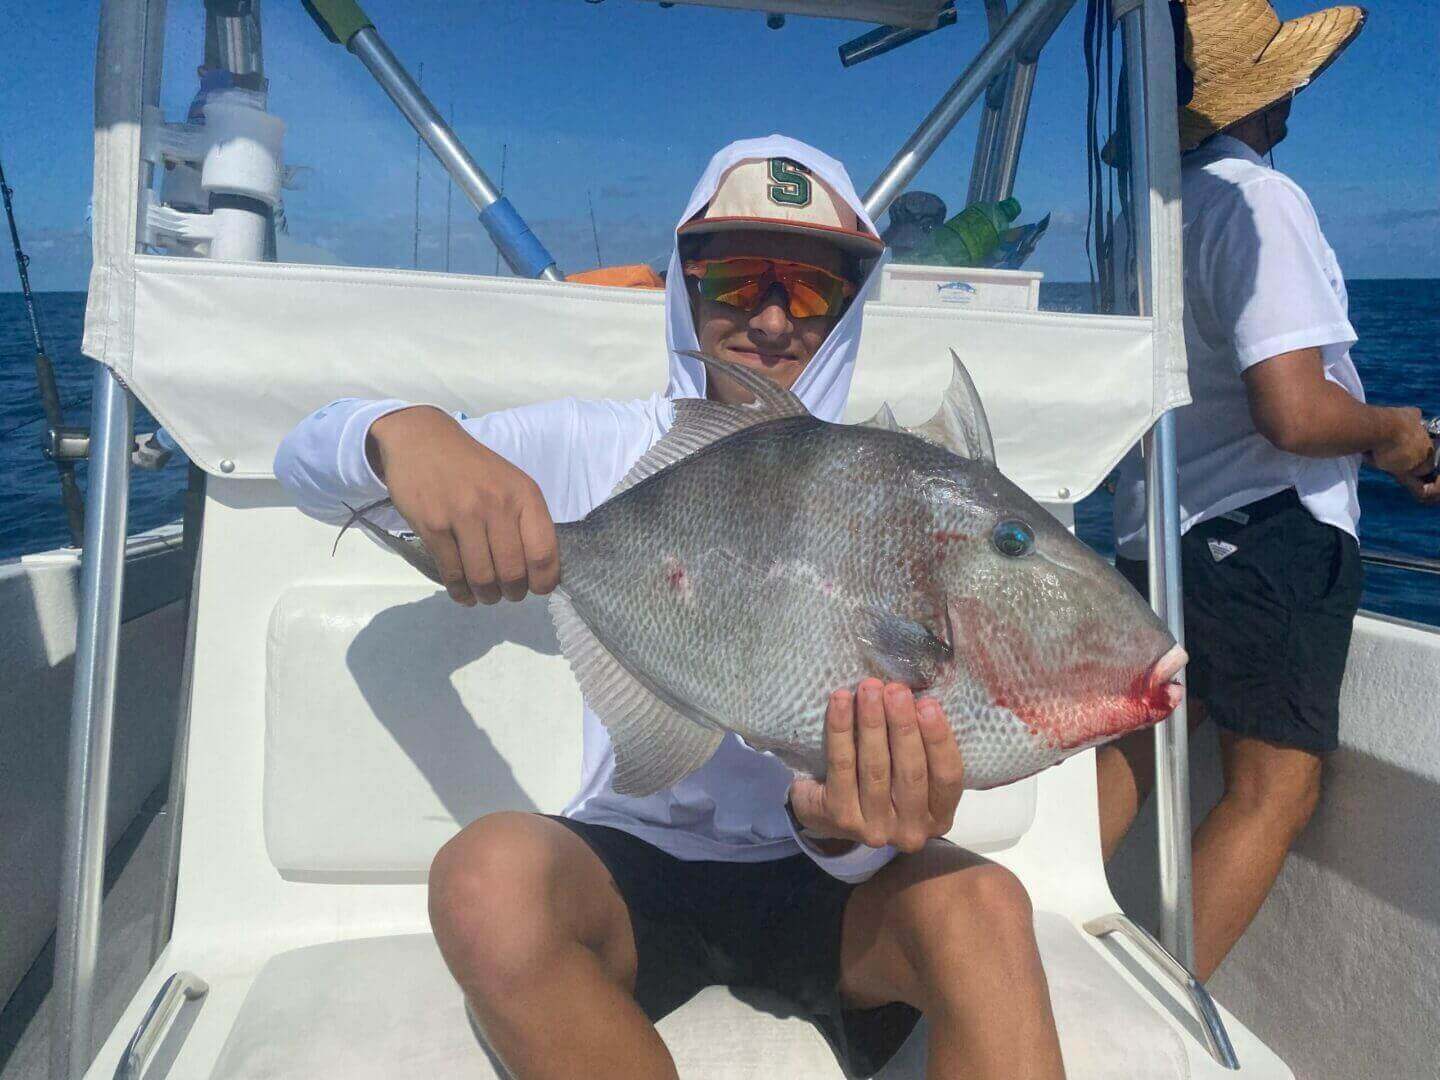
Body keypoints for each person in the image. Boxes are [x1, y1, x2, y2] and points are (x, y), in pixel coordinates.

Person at [276, 136, 1066, 1080]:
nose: (772, 318)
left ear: (851, 308)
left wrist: (848, 829)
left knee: (987, 908)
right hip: (627, 859)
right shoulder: (600, 445)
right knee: (484, 880)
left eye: (812, 291)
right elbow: (305, 463)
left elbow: (880, 804)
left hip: (821, 875)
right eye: (737, 277)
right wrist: (399, 433)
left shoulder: (884, 486)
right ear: (685, 282)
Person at [1097, 0, 1439, 983]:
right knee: (1275, 789)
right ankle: (1149, 1030)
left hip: (1160, 540)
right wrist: (1395, 434)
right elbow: (1292, 412)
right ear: (1263, 89)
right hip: (1265, 541)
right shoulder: (1258, 200)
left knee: (1132, 758)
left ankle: (1027, 936)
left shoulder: (1152, 216)